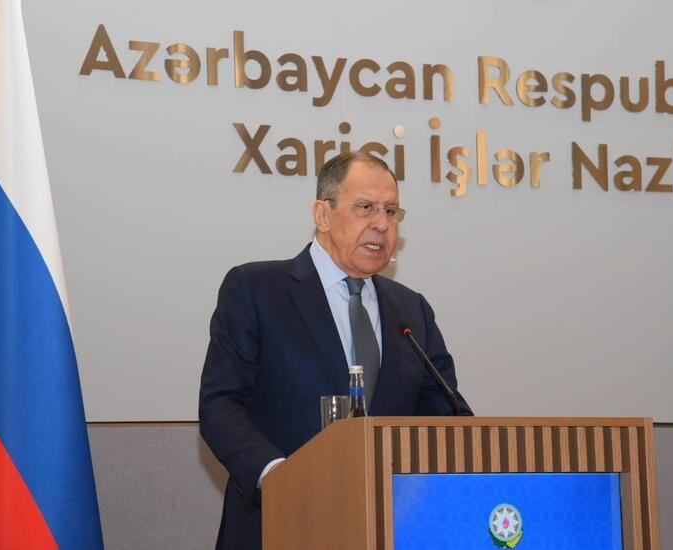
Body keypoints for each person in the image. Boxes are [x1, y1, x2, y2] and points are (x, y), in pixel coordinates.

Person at [199, 151, 472, 550]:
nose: (382, 223)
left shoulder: (411, 310)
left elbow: (446, 417)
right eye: (365, 207)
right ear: (322, 215)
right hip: (278, 525)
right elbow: (221, 405)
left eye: (391, 211)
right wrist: (278, 478)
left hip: (390, 528)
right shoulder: (256, 290)